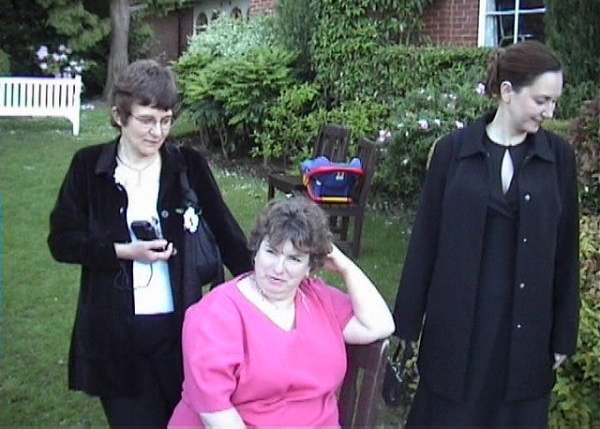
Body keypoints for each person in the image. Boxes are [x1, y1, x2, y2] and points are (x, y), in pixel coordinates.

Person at [47, 59, 253, 428]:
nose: (157, 132)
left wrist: (271, 288)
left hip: (182, 333)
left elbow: (228, 235)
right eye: (146, 120)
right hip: (115, 336)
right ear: (119, 115)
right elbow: (62, 241)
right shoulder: (88, 167)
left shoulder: (188, 165)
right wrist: (123, 252)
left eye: (166, 120)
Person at [392, 40, 579, 427]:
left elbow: (565, 251)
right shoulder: (452, 152)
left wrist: (564, 333)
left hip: (525, 332)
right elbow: (425, 240)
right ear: (507, 92)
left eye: (554, 102)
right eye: (541, 100)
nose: (550, 112)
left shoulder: (559, 159)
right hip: (456, 328)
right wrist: (406, 324)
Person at [168, 197, 395, 428]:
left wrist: (344, 266)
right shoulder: (215, 316)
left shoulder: (317, 298)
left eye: (294, 259)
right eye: (271, 252)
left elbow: (380, 325)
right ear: (256, 251)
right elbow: (217, 417)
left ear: (310, 267)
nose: (278, 268)